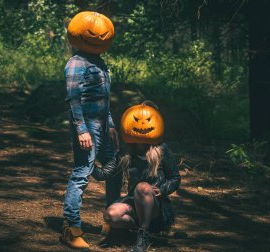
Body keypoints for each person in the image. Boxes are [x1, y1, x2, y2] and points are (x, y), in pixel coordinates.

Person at [61, 11, 121, 249]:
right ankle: (71, 228)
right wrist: (81, 130)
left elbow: (103, 100)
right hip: (87, 127)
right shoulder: (77, 63)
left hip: (104, 126)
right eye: (93, 32)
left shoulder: (99, 62)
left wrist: (112, 126)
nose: (100, 34)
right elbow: (74, 100)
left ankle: (113, 220)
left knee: (114, 170)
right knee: (81, 174)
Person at [92, 101, 182, 252]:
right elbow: (105, 174)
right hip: (135, 203)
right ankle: (133, 231)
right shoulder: (125, 153)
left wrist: (163, 189)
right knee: (111, 215)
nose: (141, 123)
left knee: (142, 187)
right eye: (135, 120)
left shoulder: (162, 150)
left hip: (156, 207)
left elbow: (175, 178)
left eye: (147, 120)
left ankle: (143, 235)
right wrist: (88, 164)